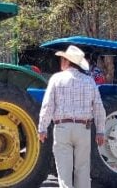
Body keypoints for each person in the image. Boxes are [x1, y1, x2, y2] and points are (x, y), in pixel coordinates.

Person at [37, 45, 106, 188]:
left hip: (62, 127)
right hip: (83, 128)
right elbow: (98, 107)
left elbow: (47, 105)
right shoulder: (89, 81)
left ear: (66, 61)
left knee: (64, 172)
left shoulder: (56, 79)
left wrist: (42, 128)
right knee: (83, 170)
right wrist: (100, 131)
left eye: (62, 59)